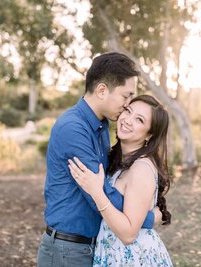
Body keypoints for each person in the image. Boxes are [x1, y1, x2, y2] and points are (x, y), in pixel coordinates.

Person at [37, 52, 161, 267]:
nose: (127, 104)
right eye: (126, 96)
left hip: (87, 248)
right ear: (102, 90)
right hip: (68, 251)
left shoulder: (101, 125)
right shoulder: (73, 129)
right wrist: (146, 218)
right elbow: (100, 193)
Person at [68, 95, 173, 266]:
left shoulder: (141, 169)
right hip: (114, 254)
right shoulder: (121, 161)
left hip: (133, 258)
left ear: (150, 135)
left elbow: (128, 234)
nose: (128, 120)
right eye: (128, 111)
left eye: (139, 120)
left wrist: (96, 192)